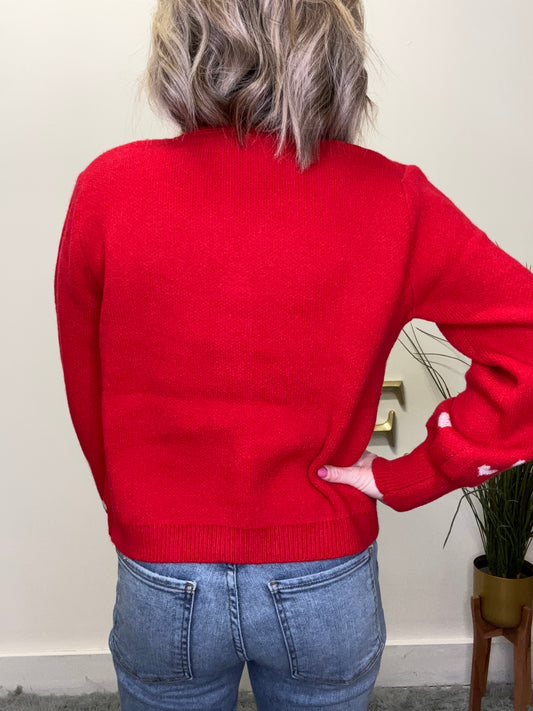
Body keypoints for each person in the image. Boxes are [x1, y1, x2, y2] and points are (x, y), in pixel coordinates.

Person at [53, 0, 533, 709]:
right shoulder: (394, 198)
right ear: (337, 52)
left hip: (162, 567)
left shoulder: (108, 189)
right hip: (321, 573)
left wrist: (143, 509)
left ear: (183, 48)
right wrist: (413, 472)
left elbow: (88, 396)